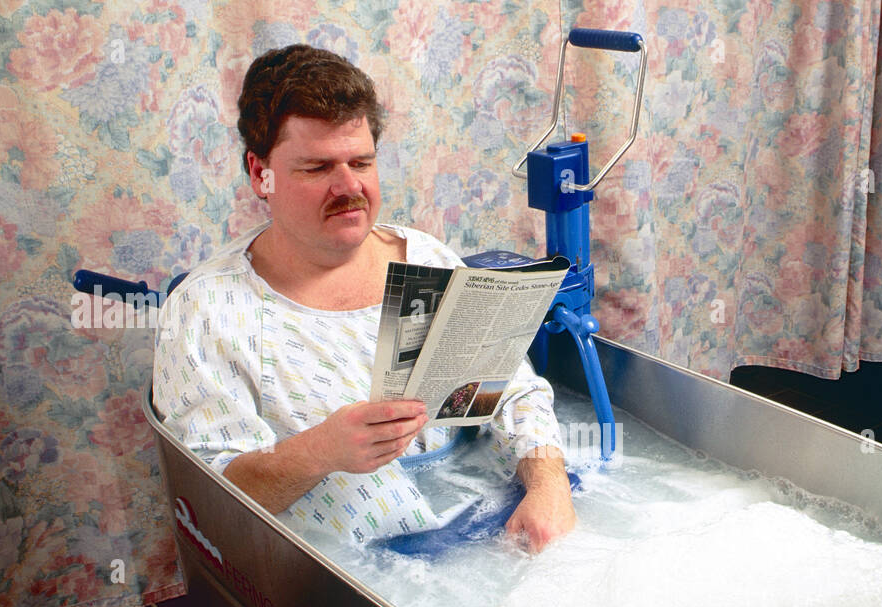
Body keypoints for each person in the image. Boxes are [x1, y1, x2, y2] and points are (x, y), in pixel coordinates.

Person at [153, 45, 575, 552]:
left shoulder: (425, 262)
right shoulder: (207, 312)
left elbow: (513, 393)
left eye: (362, 161)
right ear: (259, 172)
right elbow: (209, 500)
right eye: (316, 168)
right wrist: (319, 452)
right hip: (345, 577)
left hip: (491, 531)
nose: (349, 186)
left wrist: (549, 488)